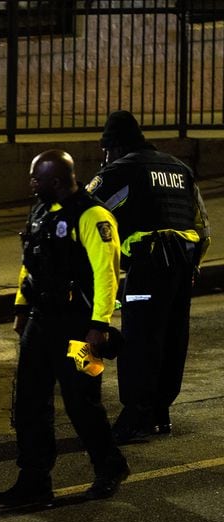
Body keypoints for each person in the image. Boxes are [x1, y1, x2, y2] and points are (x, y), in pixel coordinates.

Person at [0, 149, 129, 507]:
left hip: (80, 329)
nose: (31, 183)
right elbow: (31, 263)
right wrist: (21, 309)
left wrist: (99, 326)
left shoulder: (93, 215)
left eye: (36, 178)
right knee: (29, 404)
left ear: (55, 180)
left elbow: (107, 275)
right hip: (41, 324)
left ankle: (110, 467)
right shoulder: (41, 210)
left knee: (83, 402)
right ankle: (34, 481)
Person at [86, 110, 211, 444]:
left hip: (150, 264)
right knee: (172, 338)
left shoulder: (122, 170)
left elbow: (84, 210)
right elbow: (203, 226)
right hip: (184, 267)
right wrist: (193, 266)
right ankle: (160, 413)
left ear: (112, 146)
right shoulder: (179, 169)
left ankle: (136, 416)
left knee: (141, 340)